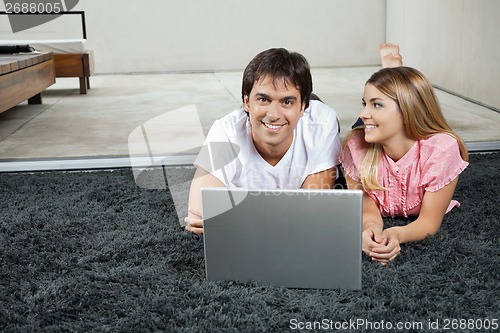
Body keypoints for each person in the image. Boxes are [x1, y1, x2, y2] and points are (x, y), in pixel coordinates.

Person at [185, 44, 403, 234]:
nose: (273, 113)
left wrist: (231, 218)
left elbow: (311, 208)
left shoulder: (321, 122)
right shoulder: (225, 131)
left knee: (372, 131)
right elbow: (199, 212)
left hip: (309, 125)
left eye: (287, 102)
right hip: (274, 123)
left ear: (303, 107)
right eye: (263, 99)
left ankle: (392, 79)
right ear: (246, 102)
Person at [340, 66, 469, 266]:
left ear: (408, 109)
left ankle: (392, 66)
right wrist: (371, 228)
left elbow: (429, 222)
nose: (363, 113)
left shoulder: (442, 150)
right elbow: (367, 207)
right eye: (365, 104)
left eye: (376, 105)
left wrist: (396, 234)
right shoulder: (356, 146)